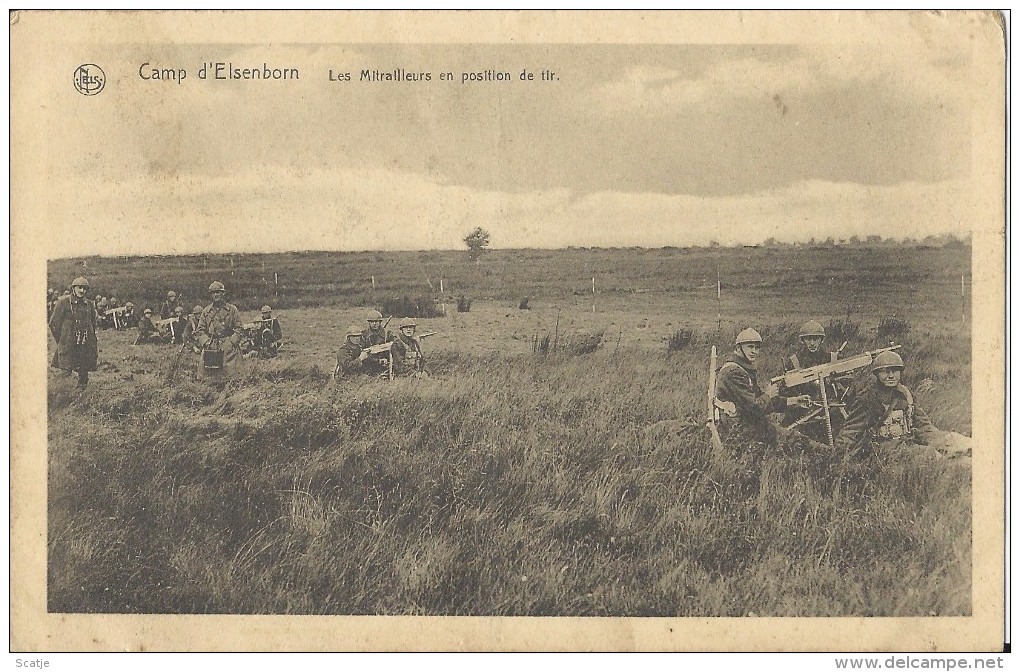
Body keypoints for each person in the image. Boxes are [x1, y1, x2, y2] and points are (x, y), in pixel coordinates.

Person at [836, 351, 970, 460]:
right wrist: (838, 455)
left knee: (957, 442)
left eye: (894, 371)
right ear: (877, 374)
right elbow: (850, 430)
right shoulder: (867, 398)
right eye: (885, 371)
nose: (890, 376)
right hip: (882, 450)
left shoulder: (905, 394)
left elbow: (923, 425)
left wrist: (943, 440)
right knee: (935, 458)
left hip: (906, 444)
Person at [714, 328, 813, 447]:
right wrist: (768, 395)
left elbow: (758, 399)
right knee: (791, 439)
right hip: (735, 427)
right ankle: (829, 453)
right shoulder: (734, 372)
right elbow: (754, 409)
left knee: (790, 437)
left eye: (757, 348)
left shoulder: (743, 368)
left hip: (742, 422)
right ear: (739, 348)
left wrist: (793, 401)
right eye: (750, 347)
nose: (754, 351)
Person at [780, 320, 843, 442]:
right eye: (808, 339)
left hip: (830, 408)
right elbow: (784, 390)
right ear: (802, 341)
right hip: (802, 409)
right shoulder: (794, 361)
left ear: (821, 340)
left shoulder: (832, 358)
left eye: (816, 339)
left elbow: (846, 387)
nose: (812, 343)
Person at [48, 276, 98, 390]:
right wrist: (62, 339)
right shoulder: (63, 303)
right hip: (69, 343)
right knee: (66, 368)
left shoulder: (89, 304)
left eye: (85, 289)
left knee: (84, 369)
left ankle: (81, 392)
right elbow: (54, 324)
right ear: (73, 288)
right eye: (79, 288)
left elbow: (93, 323)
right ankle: (61, 392)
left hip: (85, 342)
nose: (82, 291)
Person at [195, 281, 242, 383]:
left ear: (223, 293)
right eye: (213, 293)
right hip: (211, 345)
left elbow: (239, 328)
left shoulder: (232, 310)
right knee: (207, 376)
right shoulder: (206, 311)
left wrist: (232, 342)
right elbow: (200, 330)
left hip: (228, 346)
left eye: (218, 292)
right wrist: (206, 342)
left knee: (231, 376)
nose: (216, 295)